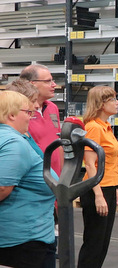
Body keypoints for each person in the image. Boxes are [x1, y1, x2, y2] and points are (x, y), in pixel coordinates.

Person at [0, 91, 56, 268]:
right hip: (22, 241)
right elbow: (2, 188)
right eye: (28, 112)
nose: (31, 117)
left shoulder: (16, 137)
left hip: (28, 236)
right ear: (11, 114)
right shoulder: (13, 143)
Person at [77, 86, 118, 268]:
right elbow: (89, 164)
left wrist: (115, 189)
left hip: (108, 188)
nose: (117, 102)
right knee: (94, 243)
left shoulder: (106, 128)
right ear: (101, 104)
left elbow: (109, 162)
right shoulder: (93, 127)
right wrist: (98, 195)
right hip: (96, 190)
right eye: (113, 99)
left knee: (103, 243)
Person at [20, 64, 62, 176]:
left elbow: (58, 141)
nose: (54, 85)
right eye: (48, 81)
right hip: (33, 179)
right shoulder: (19, 111)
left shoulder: (52, 107)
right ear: (32, 84)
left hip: (54, 178)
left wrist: (63, 177)